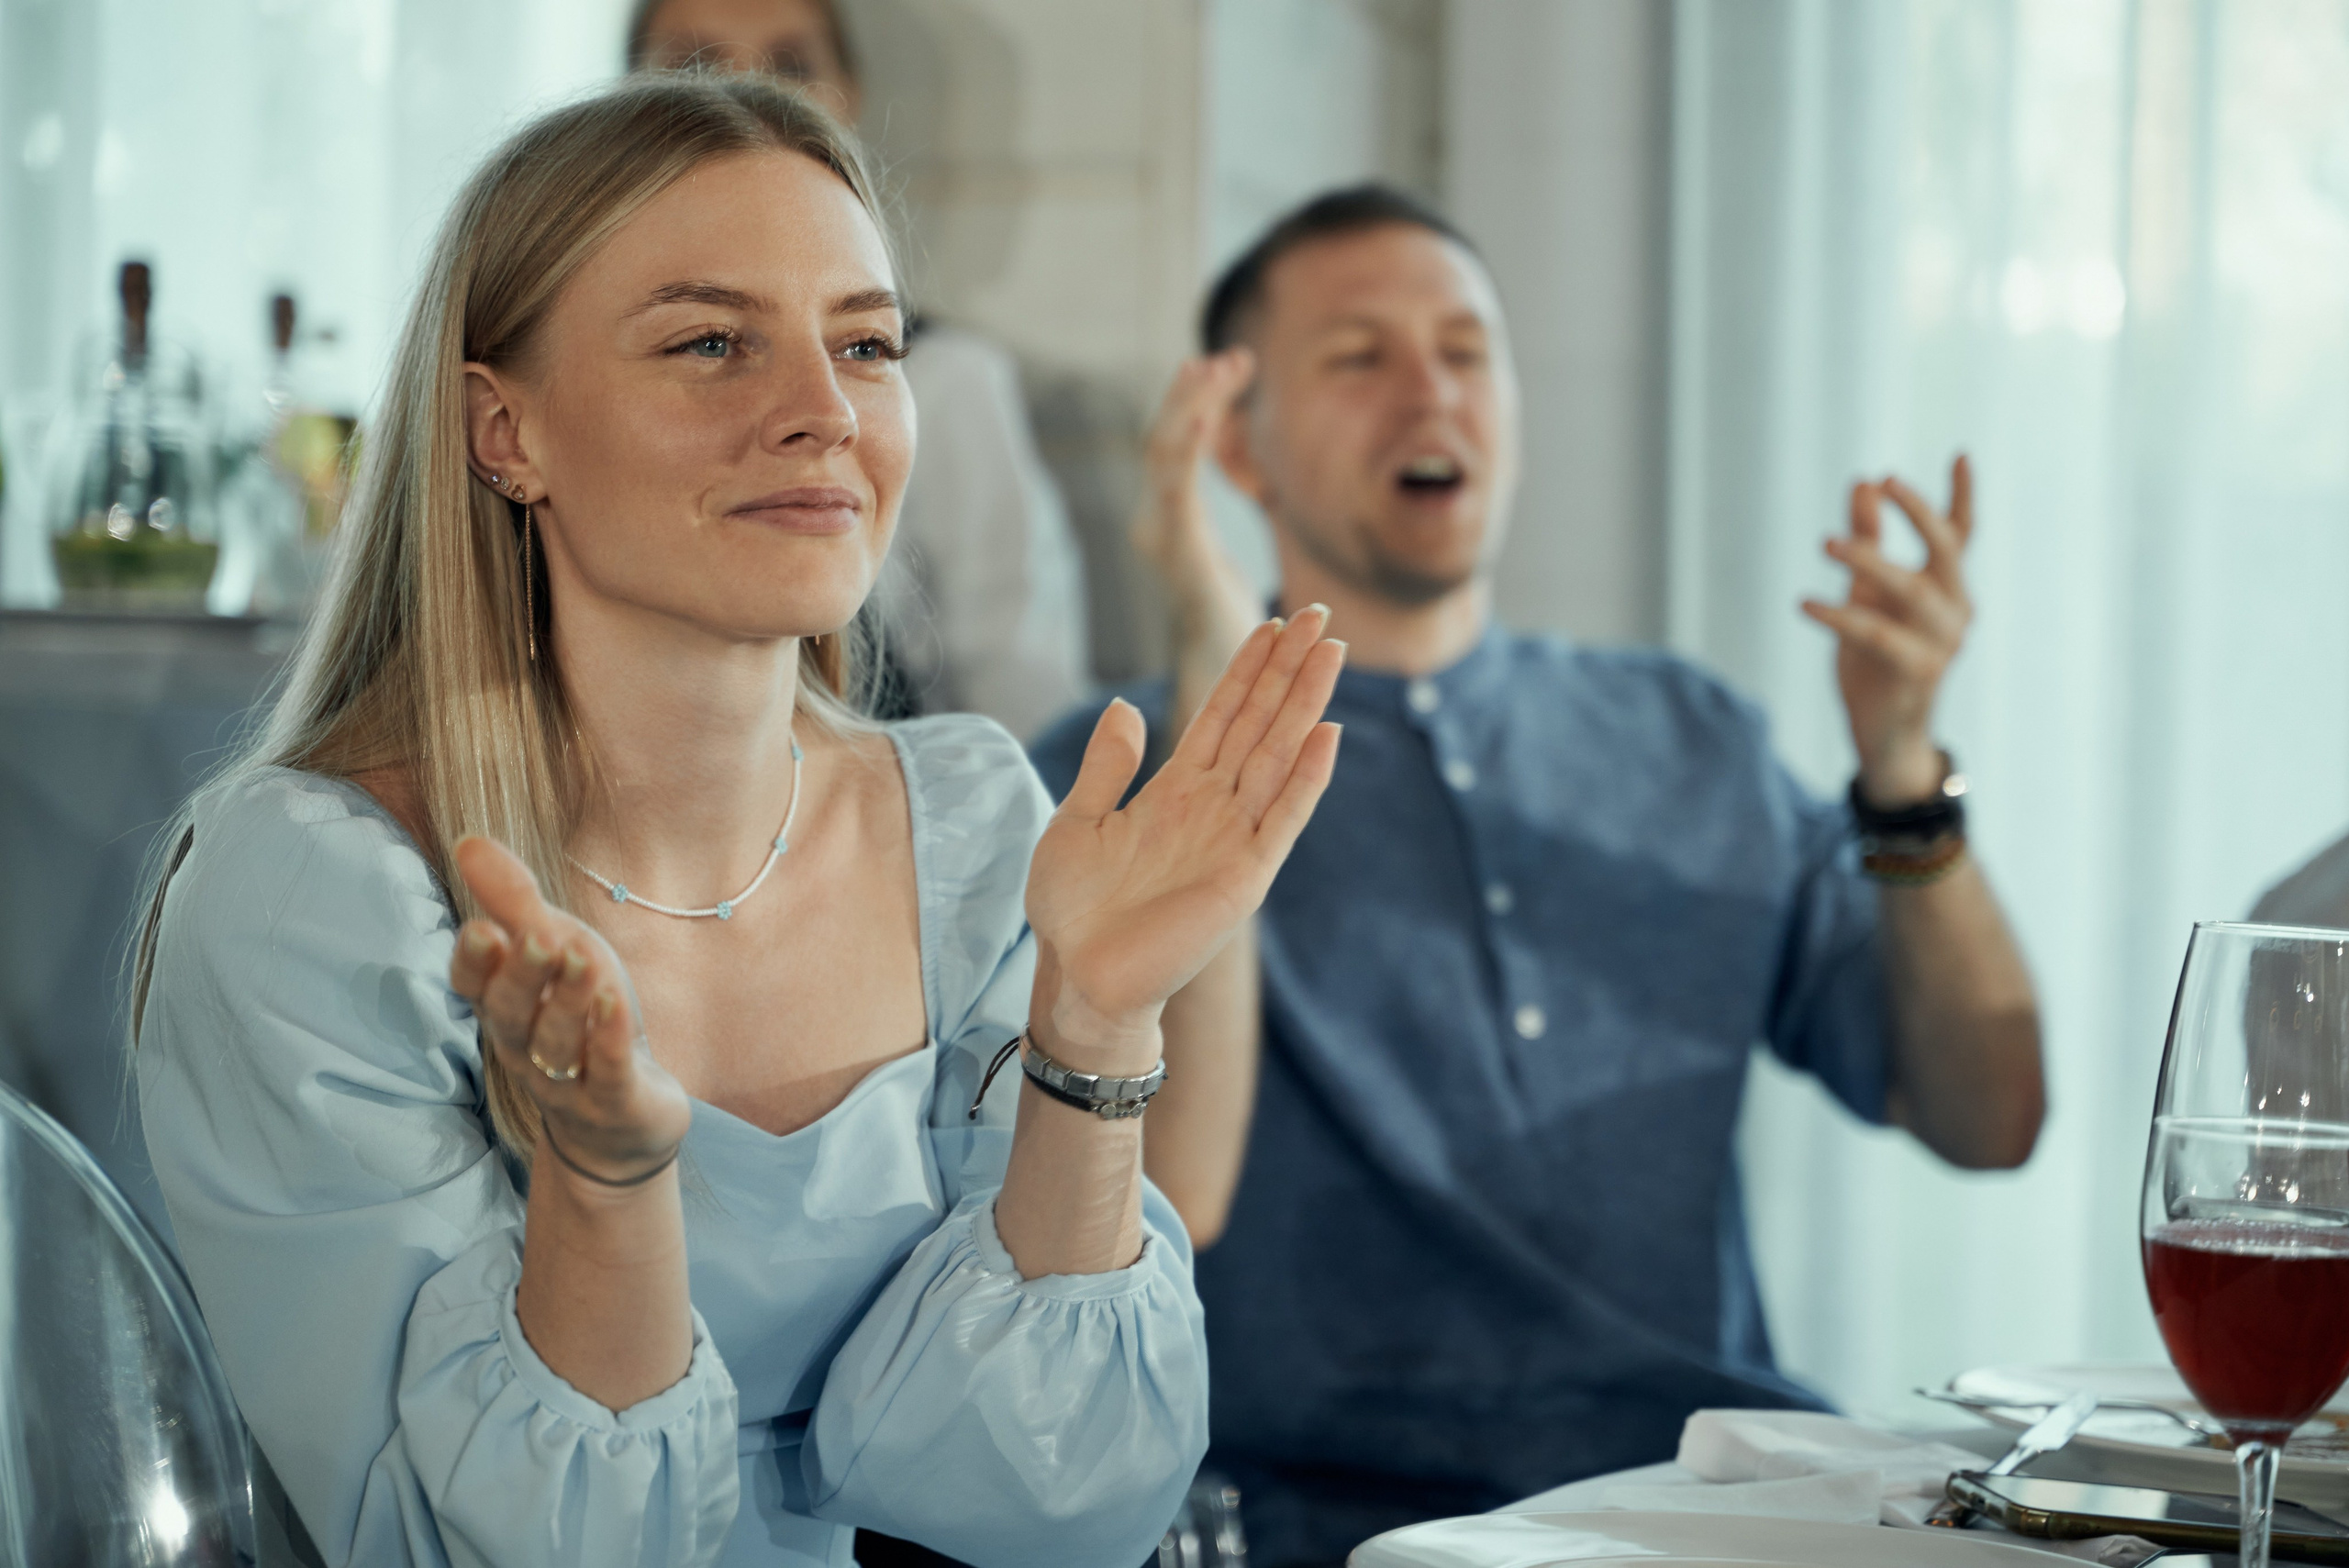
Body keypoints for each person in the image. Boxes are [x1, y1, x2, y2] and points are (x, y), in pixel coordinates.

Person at [131, 76, 1345, 1568]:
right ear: (502, 430)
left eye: (867, 344)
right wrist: (606, 1192)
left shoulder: (966, 823)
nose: (824, 414)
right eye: (713, 343)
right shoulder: (309, 894)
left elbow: (1049, 1498)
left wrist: (1095, 1027)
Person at [1029, 185, 2048, 1566]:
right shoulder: (1110, 773)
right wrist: (1221, 665)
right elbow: (1135, 1204)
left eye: (1466, 349)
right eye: (1359, 356)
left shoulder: (1691, 735)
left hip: (1725, 1507)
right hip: (1336, 1524)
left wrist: (1905, 771)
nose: (1428, 392)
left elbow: (1990, 1117)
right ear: (1239, 449)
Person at [629, 0, 1090, 740]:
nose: (746, 95)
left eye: (792, 67)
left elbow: (1022, 708)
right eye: (694, 66)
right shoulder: (569, 364)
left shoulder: (948, 382)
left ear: (851, 98)